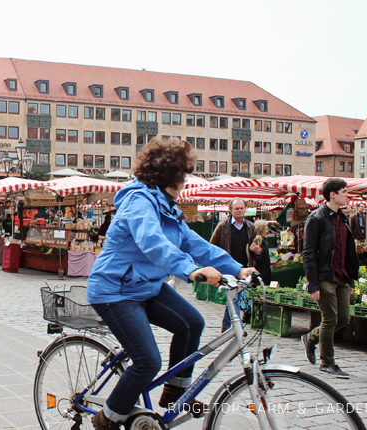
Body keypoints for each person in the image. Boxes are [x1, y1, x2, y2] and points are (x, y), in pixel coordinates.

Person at [87, 138, 255, 429]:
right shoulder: (138, 201)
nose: (184, 183)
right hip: (115, 290)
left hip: (147, 286)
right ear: (170, 178)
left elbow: (194, 242)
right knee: (147, 362)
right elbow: (152, 243)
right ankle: (108, 419)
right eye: (182, 178)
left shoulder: (167, 206)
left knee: (191, 323)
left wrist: (238, 269)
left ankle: (176, 392)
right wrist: (189, 271)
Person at [301, 178, 359, 379]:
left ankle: (310, 338)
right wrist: (313, 283)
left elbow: (347, 251)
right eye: (344, 191)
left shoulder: (342, 218)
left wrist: (351, 279)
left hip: (342, 275)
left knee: (343, 318)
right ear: (333, 194)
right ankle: (327, 362)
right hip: (324, 275)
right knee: (330, 318)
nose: (347, 195)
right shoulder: (316, 218)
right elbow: (308, 252)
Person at [210, 199, 261, 331]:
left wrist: (257, 251)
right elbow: (212, 246)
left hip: (244, 269)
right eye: (237, 208)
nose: (239, 211)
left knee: (235, 297)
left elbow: (259, 249)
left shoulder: (251, 227)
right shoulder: (223, 226)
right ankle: (237, 328)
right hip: (228, 269)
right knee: (234, 298)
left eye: (242, 208)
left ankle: (226, 326)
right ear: (230, 210)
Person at [253, 220, 272, 285]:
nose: (267, 231)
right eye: (266, 229)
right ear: (260, 229)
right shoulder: (256, 241)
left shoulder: (262, 240)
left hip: (265, 273)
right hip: (260, 274)